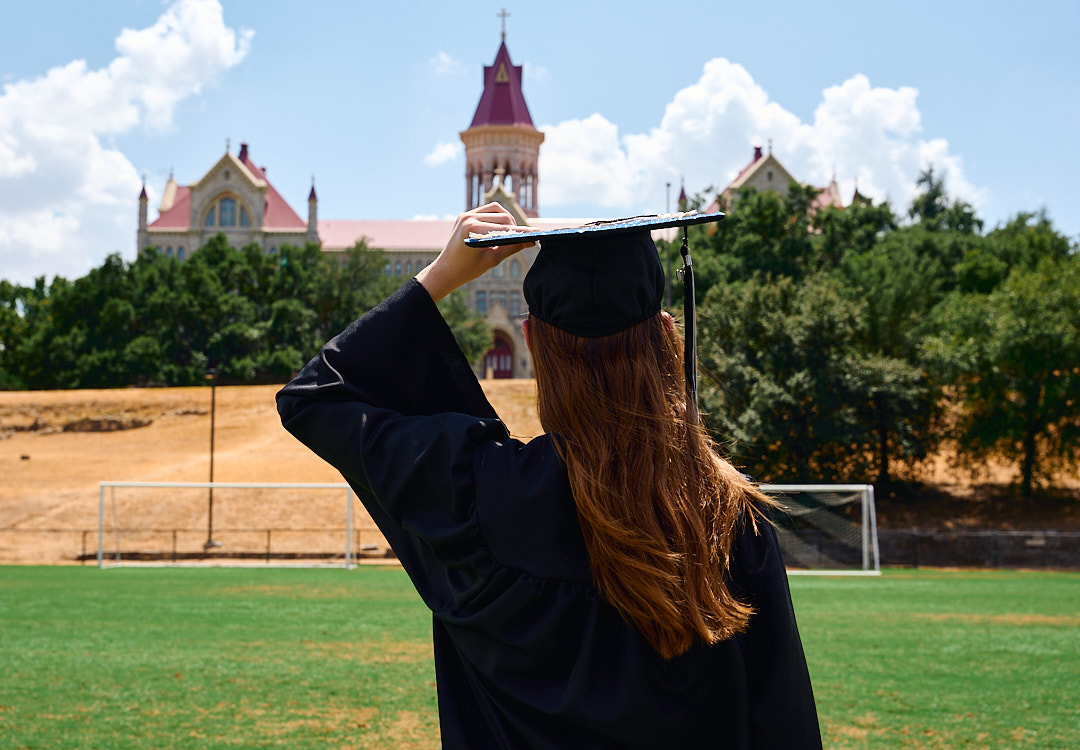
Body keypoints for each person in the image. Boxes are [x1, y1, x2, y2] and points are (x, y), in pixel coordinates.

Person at [277, 203, 822, 749]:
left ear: (531, 341)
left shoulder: (475, 492)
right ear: (666, 336)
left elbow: (313, 399)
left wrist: (439, 277)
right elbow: (785, 724)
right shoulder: (727, 518)